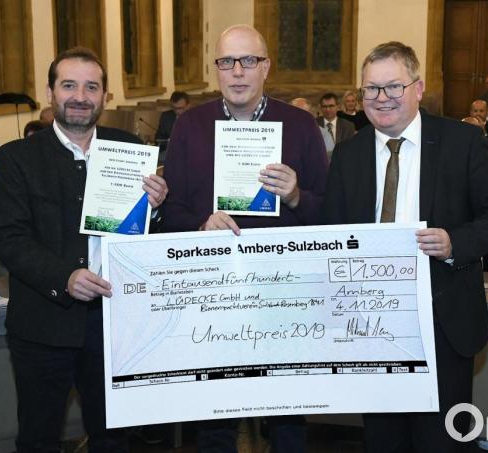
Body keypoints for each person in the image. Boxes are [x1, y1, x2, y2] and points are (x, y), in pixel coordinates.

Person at [324, 41, 488, 451]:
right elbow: (332, 232)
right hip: (372, 329)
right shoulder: (348, 154)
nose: (382, 99)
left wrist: (454, 243)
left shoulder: (462, 142)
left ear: (418, 87)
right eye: (371, 89)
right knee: (383, 440)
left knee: (441, 442)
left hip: (443, 323)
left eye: (393, 86)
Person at [0, 46, 168, 453]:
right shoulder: (17, 158)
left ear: (105, 96)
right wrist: (64, 277)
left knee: (113, 438)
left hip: (115, 324)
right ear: (51, 92)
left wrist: (155, 210)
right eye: (69, 85)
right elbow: (8, 238)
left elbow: (146, 237)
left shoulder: (130, 148)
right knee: (39, 437)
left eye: (92, 86)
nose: (80, 96)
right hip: (42, 325)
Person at [162, 24, 327, 452]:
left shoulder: (301, 126)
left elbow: (330, 214)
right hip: (211, 293)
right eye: (227, 62)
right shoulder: (190, 126)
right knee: (213, 418)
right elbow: (169, 213)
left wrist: (294, 196)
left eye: (248, 61)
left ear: (266, 67)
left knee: (287, 415)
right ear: (216, 69)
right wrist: (200, 225)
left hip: (283, 292)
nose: (237, 71)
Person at [155, 91, 191, 160]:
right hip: (169, 152)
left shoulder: (196, 118)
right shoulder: (166, 116)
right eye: (174, 108)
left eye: (180, 108)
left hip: (189, 153)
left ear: (188, 106)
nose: (177, 111)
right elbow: (158, 137)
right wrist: (167, 141)